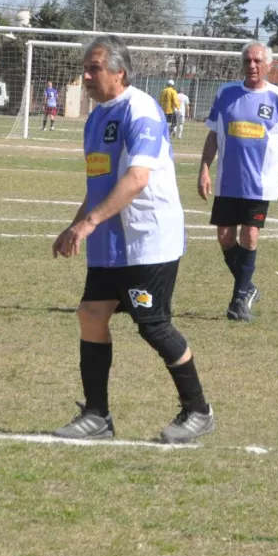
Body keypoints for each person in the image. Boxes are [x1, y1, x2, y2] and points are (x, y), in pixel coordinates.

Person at [51, 35, 214, 444]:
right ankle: (97, 416)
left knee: (153, 326)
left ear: (119, 72)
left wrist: (87, 224)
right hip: (109, 240)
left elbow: (137, 179)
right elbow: (98, 183)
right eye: (85, 68)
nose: (86, 76)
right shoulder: (95, 118)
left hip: (148, 237)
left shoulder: (141, 110)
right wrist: (75, 224)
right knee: (91, 313)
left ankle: (198, 410)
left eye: (95, 68)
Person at [198, 41, 278, 322]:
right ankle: (248, 287)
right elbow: (214, 135)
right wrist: (204, 168)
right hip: (228, 181)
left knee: (250, 235)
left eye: (257, 61)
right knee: (225, 237)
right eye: (248, 61)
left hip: (260, 183)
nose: (252, 66)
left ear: (268, 65)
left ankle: (238, 301)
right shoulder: (226, 93)